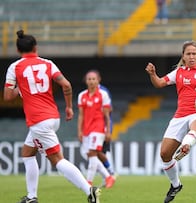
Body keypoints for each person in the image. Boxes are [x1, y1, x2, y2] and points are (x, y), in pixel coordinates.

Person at [3, 30, 100, 203]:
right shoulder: (48, 63)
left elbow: (8, 96)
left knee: (57, 160)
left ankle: (89, 190)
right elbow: (66, 84)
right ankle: (32, 197)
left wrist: (22, 88)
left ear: (18, 51)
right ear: (36, 47)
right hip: (52, 117)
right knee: (27, 153)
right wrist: (69, 107)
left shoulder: (15, 67)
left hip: (38, 121)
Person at [145, 40, 196, 203]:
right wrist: (152, 74)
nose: (191, 57)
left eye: (194, 54)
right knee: (164, 155)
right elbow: (160, 83)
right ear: (183, 56)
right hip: (180, 116)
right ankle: (176, 185)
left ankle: (187, 144)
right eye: (188, 54)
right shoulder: (178, 72)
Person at [77, 70, 116, 189]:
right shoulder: (81, 95)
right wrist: (79, 130)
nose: (91, 81)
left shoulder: (103, 94)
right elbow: (81, 115)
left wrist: (108, 130)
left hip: (98, 128)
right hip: (86, 129)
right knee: (89, 154)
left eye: (94, 79)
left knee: (93, 153)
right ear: (86, 81)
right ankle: (108, 177)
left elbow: (107, 115)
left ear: (98, 80)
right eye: (89, 79)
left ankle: (88, 182)